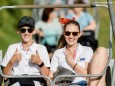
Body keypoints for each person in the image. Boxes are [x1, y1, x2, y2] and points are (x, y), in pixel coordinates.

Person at [49, 18, 108, 86]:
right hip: (65, 84)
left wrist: (71, 62)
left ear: (79, 34)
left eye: (74, 33)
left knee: (102, 50)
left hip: (84, 83)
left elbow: (88, 75)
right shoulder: (58, 53)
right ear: (64, 34)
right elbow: (50, 77)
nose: (71, 36)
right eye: (68, 33)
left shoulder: (87, 50)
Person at [1, 16, 50, 86]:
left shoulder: (42, 49)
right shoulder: (12, 48)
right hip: (16, 82)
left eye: (29, 30)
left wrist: (40, 62)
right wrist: (11, 61)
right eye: (23, 30)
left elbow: (47, 78)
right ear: (19, 31)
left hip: (36, 82)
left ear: (34, 31)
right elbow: (5, 76)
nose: (26, 33)